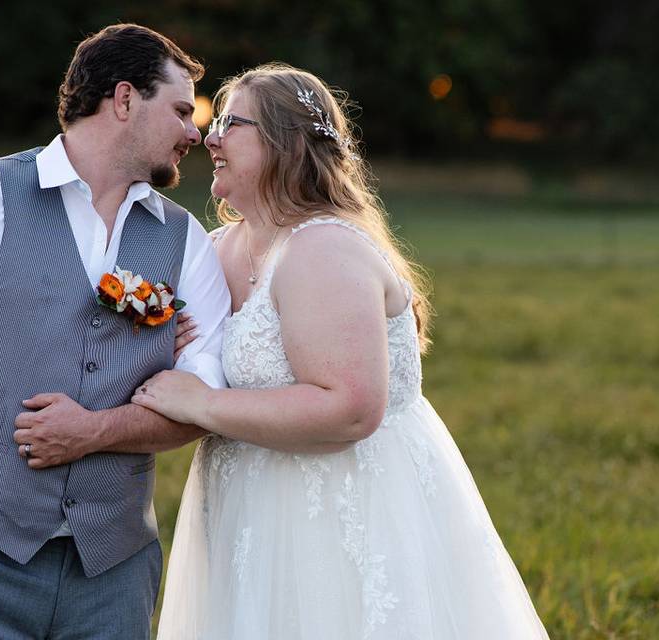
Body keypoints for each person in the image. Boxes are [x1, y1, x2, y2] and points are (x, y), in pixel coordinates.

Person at [132, 63, 551, 639]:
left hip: (342, 513)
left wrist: (202, 404)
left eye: (231, 123)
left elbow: (350, 408)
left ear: (285, 143)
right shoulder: (217, 250)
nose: (210, 138)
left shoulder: (324, 249)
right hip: (248, 515)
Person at [0, 24, 230, 639]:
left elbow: (207, 402)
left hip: (115, 570)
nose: (195, 131)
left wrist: (92, 433)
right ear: (122, 100)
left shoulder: (185, 239)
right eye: (179, 109)